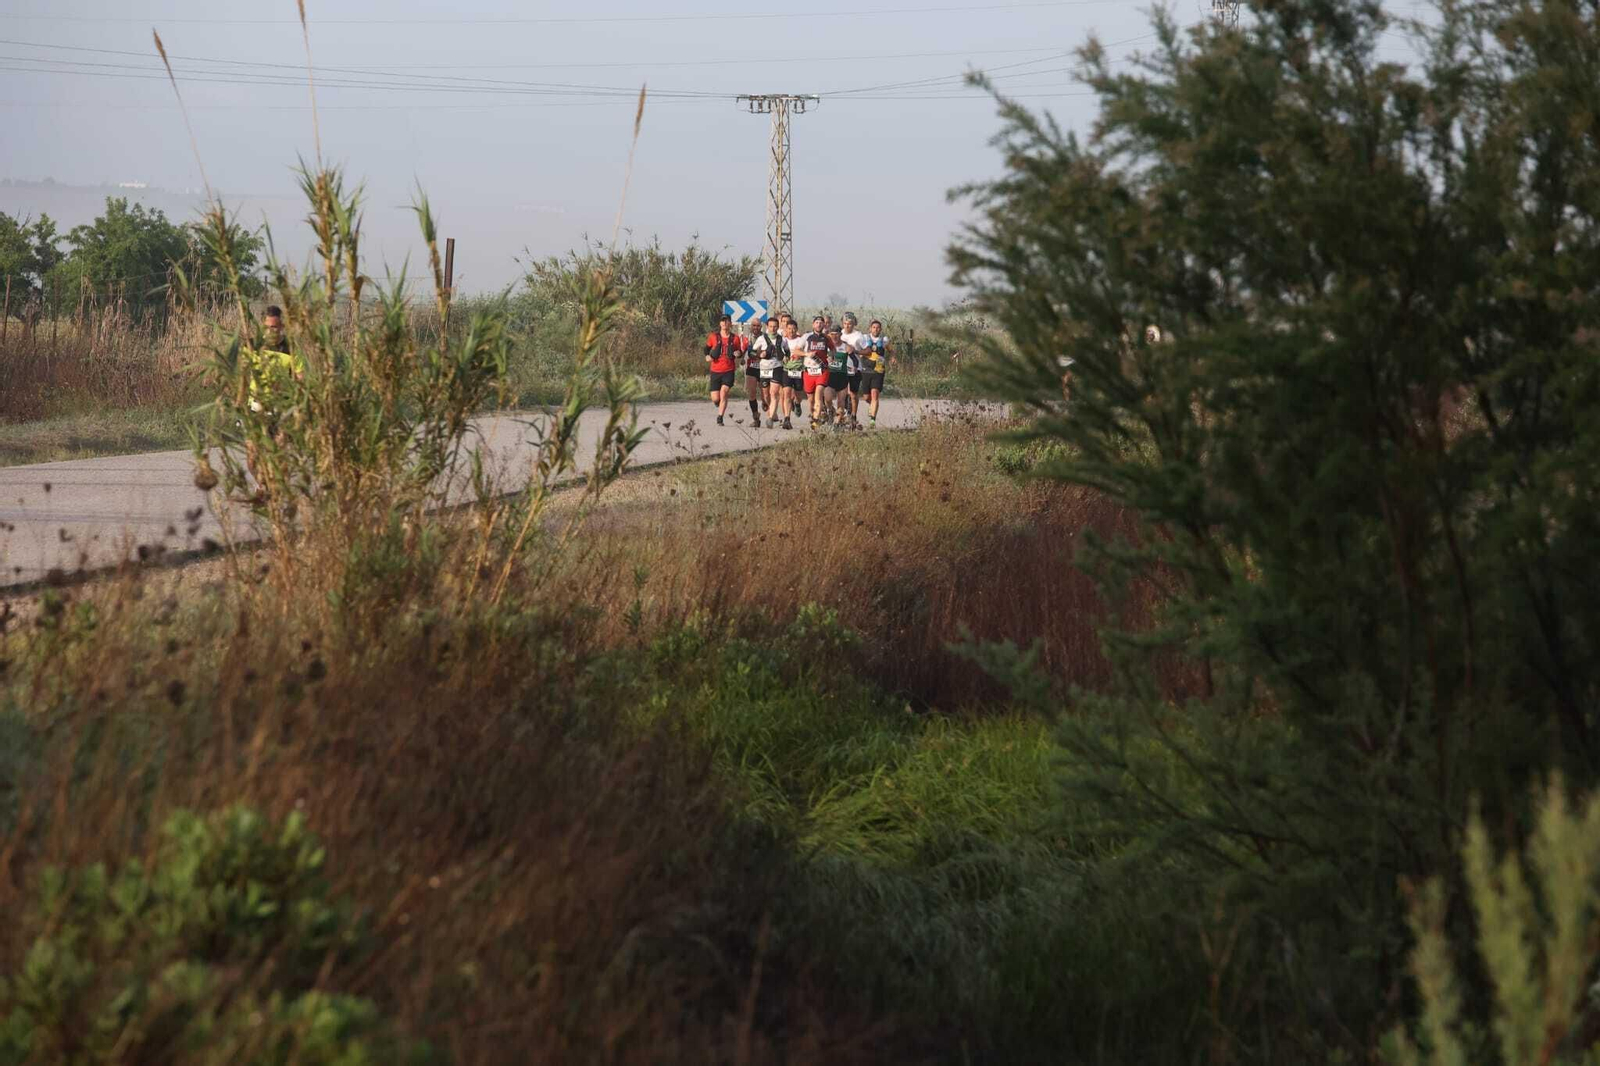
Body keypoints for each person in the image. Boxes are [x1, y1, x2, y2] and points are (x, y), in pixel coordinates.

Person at [750, 316, 789, 428]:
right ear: (767, 327)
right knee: (766, 395)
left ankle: (770, 418)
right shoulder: (761, 339)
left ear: (778, 327)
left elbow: (787, 351)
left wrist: (786, 357)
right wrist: (759, 354)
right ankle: (770, 409)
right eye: (771, 326)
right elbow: (752, 353)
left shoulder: (782, 339)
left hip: (777, 367)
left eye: (775, 327)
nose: (773, 329)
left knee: (774, 392)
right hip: (764, 368)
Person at [704, 313, 741, 426]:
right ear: (720, 323)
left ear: (730, 323)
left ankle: (720, 417)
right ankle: (719, 403)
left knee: (724, 392)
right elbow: (706, 349)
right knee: (716, 398)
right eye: (722, 321)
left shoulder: (735, 338)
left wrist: (738, 353)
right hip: (715, 370)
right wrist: (707, 356)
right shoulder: (713, 337)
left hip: (728, 370)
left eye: (726, 321)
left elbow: (739, 351)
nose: (724, 323)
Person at [799, 316, 832, 428]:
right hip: (808, 372)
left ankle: (816, 420)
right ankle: (815, 415)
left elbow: (833, 350)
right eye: (817, 322)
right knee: (811, 399)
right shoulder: (806, 337)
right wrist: (806, 354)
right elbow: (796, 350)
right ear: (813, 324)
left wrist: (831, 357)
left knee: (818, 395)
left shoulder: (826, 338)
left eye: (821, 323)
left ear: (824, 325)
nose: (819, 324)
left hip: (822, 371)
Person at [838, 313, 869, 428]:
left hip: (855, 368)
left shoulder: (858, 336)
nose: (847, 326)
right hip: (841, 368)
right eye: (845, 323)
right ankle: (843, 416)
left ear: (854, 324)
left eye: (850, 324)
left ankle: (853, 415)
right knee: (842, 393)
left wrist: (855, 351)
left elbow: (868, 351)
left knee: (853, 394)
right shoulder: (839, 334)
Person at [861, 318, 891, 425]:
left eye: (878, 328)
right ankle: (871, 405)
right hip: (866, 369)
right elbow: (859, 349)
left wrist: (893, 357)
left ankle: (872, 420)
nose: (876, 329)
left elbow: (891, 350)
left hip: (878, 370)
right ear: (870, 328)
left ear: (880, 329)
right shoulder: (864, 338)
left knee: (875, 394)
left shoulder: (884, 340)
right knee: (866, 397)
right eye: (874, 327)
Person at [823, 324, 850, 427]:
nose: (834, 336)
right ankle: (831, 410)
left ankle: (837, 423)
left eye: (837, 334)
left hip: (842, 376)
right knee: (828, 399)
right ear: (829, 335)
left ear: (840, 334)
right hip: (829, 376)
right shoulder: (825, 346)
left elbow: (855, 359)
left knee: (841, 401)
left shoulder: (845, 346)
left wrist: (855, 367)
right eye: (832, 334)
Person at [781, 318, 806, 427]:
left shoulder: (801, 340)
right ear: (786, 329)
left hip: (799, 371)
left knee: (798, 395)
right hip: (786, 370)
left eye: (793, 329)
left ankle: (797, 403)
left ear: (797, 329)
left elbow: (806, 353)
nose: (791, 331)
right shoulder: (783, 341)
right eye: (789, 328)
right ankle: (787, 419)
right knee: (786, 393)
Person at [741, 319, 766, 424]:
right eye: (754, 325)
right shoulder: (747, 338)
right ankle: (756, 417)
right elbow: (742, 350)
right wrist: (741, 357)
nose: (756, 327)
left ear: (761, 327)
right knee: (751, 393)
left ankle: (765, 402)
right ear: (751, 326)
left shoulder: (766, 337)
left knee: (765, 394)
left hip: (764, 368)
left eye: (758, 325)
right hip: (751, 367)